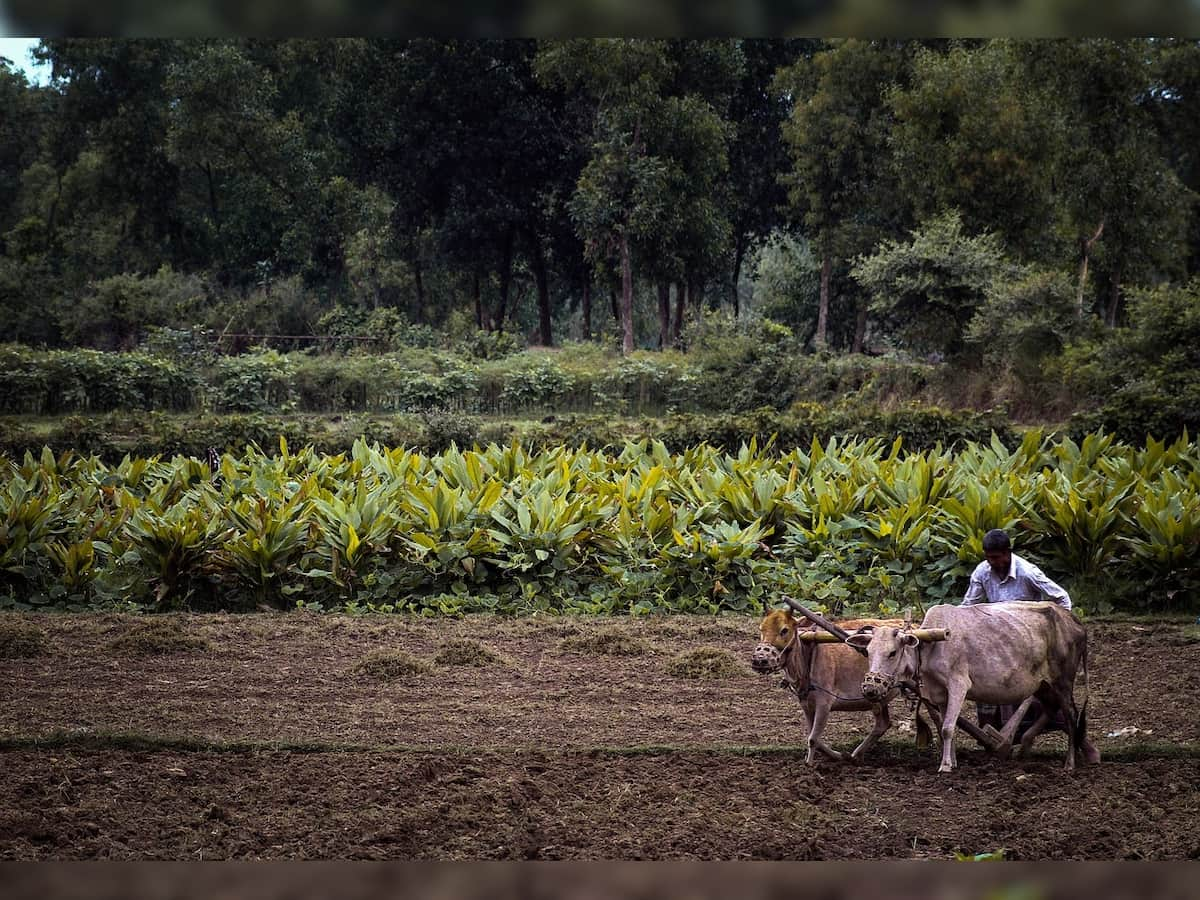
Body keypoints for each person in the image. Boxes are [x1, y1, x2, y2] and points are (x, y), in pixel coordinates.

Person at [962, 528, 1072, 738]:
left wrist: (1059, 634)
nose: (992, 562)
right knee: (984, 679)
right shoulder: (982, 572)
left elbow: (1062, 599)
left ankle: (1027, 731)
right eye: (988, 557)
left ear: (1007, 553)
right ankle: (992, 734)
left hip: (1027, 639)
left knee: (1038, 690)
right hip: (997, 638)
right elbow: (968, 606)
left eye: (995, 557)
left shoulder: (1027, 572)